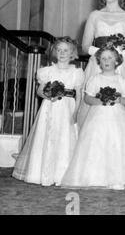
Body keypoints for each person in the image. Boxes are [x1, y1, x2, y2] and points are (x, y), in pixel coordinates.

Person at [61, 47, 125, 190]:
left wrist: (119, 100)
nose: (107, 61)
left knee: (117, 141)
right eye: (103, 58)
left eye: (110, 58)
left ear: (117, 61)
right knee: (97, 141)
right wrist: (99, 101)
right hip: (98, 116)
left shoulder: (121, 79)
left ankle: (119, 177)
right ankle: (95, 176)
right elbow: (88, 97)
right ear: (99, 62)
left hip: (118, 116)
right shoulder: (95, 79)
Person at [13, 37, 84, 186]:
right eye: (59, 50)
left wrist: (76, 112)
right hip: (50, 107)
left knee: (65, 137)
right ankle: (43, 173)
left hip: (67, 108)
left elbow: (79, 95)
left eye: (66, 50)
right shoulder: (47, 71)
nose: (62, 53)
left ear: (72, 53)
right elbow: (39, 91)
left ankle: (62, 174)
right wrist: (48, 96)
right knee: (47, 136)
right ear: (54, 52)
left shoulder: (76, 72)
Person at [77, 0, 125, 131]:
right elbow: (85, 46)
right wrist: (103, 54)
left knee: (120, 105)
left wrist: (119, 54)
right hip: (97, 64)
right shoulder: (95, 15)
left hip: (120, 65)